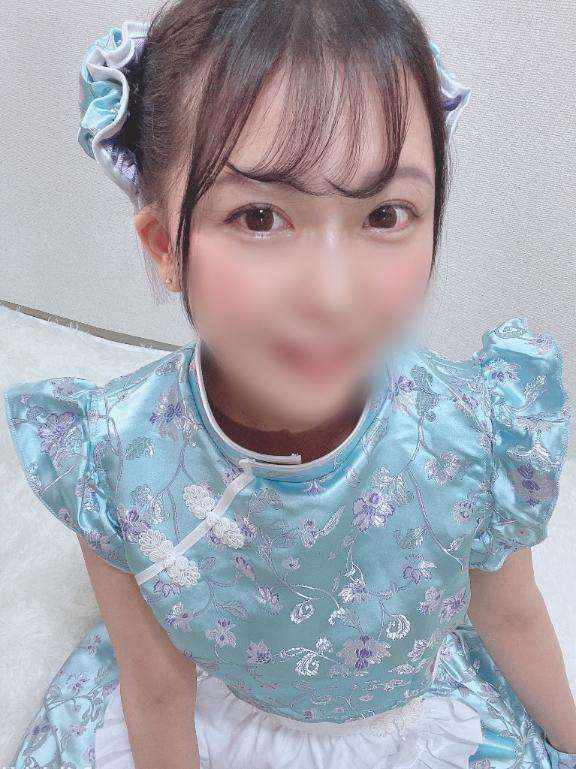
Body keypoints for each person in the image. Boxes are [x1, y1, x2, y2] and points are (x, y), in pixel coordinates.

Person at [3, 1, 575, 767]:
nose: (332, 294)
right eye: (260, 217)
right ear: (165, 246)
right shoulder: (113, 455)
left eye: (386, 213)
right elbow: (159, 689)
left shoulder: (470, 434)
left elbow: (511, 615)